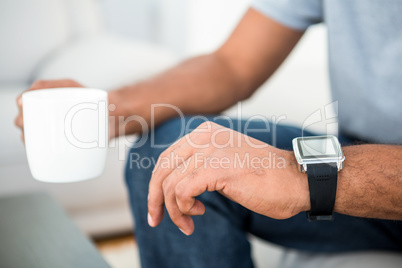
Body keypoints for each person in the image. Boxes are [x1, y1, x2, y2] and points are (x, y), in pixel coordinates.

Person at [15, 0, 402, 267]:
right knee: (176, 149)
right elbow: (232, 65)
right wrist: (105, 109)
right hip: (356, 154)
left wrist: (302, 173)